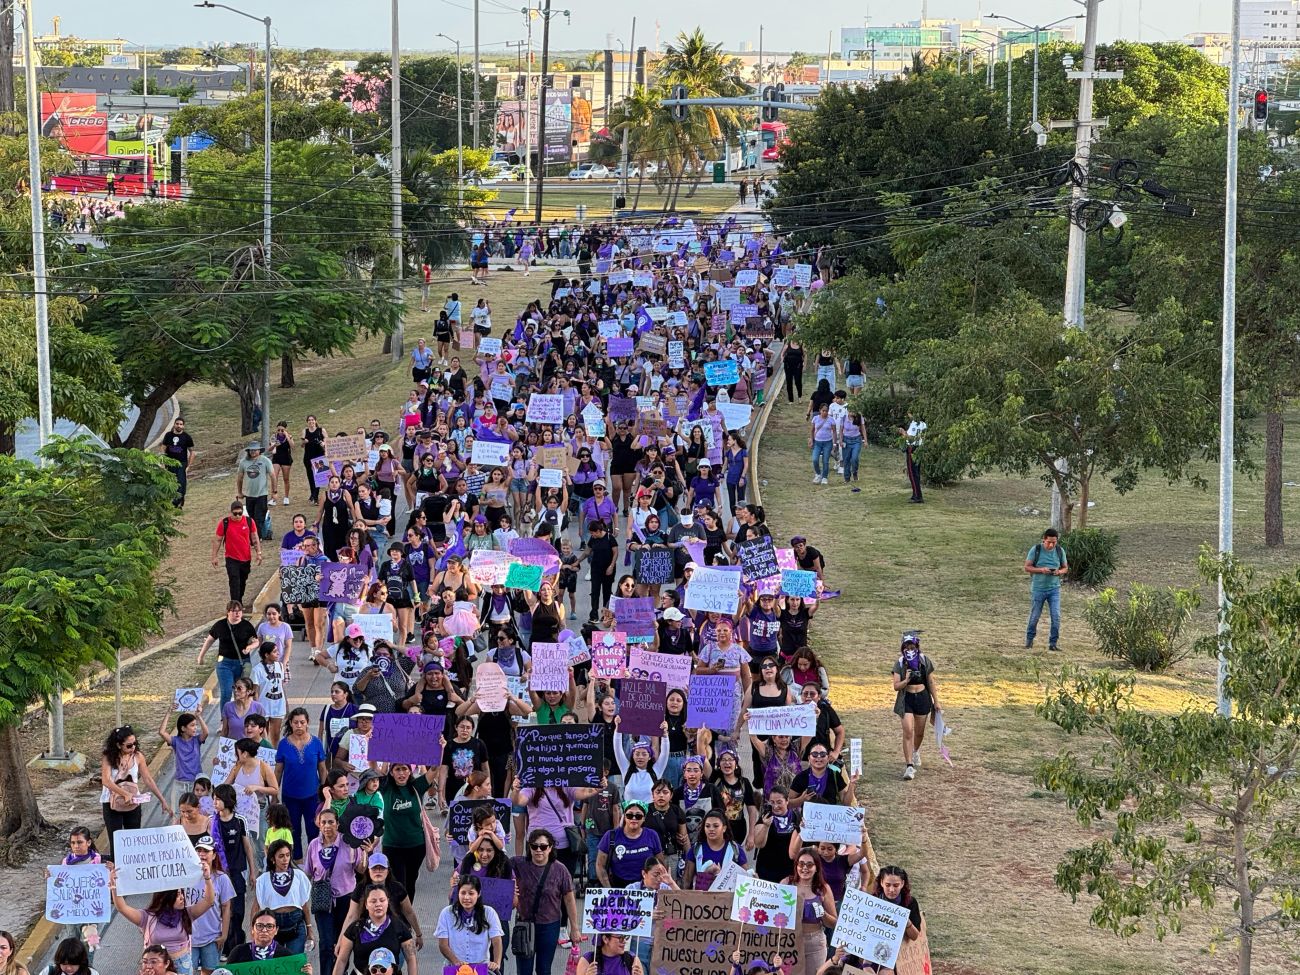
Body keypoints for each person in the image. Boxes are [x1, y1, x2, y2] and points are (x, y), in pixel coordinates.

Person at [109, 861, 215, 975]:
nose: (182, 898)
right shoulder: (147, 917)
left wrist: (207, 879)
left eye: (182, 893)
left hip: (182, 965)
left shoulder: (187, 913)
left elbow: (208, 901)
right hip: (155, 967)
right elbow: (122, 908)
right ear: (167, 898)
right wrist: (114, 887)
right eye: (178, 895)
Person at [510, 828, 583, 975]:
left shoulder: (560, 870)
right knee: (524, 971)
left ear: (550, 848)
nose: (538, 850)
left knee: (544, 969)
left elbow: (569, 900)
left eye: (543, 846)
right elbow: (495, 863)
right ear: (529, 847)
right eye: (534, 846)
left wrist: (574, 928)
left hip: (549, 926)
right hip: (524, 924)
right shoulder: (518, 864)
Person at [100, 725, 171, 856]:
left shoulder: (138, 756)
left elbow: (148, 779)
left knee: (133, 840)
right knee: (116, 841)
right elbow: (106, 780)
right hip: (111, 803)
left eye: (135, 744)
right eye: (129, 745)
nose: (133, 747)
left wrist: (162, 800)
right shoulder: (108, 757)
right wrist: (124, 793)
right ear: (118, 745)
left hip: (133, 803)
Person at [275, 707, 329, 858]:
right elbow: (278, 771)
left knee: (314, 830)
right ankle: (296, 861)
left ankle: (314, 860)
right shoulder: (283, 744)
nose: (299, 726)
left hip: (312, 796)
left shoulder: (316, 743)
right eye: (296, 722)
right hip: (290, 796)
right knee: (293, 831)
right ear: (290, 723)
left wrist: (325, 792)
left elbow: (323, 769)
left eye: (302, 722)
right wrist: (274, 792)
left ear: (307, 723)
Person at [334, 884, 418, 975]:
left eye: (382, 900)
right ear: (366, 904)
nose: (378, 904)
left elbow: (411, 959)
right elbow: (342, 960)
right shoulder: (355, 928)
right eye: (373, 901)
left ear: (387, 902)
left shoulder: (399, 927)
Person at [891, 633, 940, 781]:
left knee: (919, 733)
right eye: (906, 647)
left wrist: (936, 701)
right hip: (907, 700)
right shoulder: (899, 663)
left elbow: (930, 682)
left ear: (917, 647)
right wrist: (906, 680)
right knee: (908, 731)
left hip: (923, 698)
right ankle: (909, 766)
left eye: (912, 647)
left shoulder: (924, 661)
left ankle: (915, 751)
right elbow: (896, 686)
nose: (909, 649)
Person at [253, 840, 314, 955]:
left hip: (295, 924)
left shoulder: (299, 876)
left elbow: (304, 905)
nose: (285, 859)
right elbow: (256, 908)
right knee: (276, 966)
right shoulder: (263, 880)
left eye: (287, 855)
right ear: (273, 859)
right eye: (281, 856)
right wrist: (255, 932)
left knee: (294, 965)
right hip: (272, 926)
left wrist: (309, 929)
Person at [434, 876, 503, 972]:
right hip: (454, 967)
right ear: (458, 893)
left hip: (481, 968)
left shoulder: (489, 912)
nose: (466, 897)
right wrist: (457, 962)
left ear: (478, 894)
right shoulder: (446, 913)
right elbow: (443, 944)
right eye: (463, 893)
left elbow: (497, 941)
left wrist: (496, 963)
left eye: (471, 893)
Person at [784, 851, 837, 975]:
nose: (804, 868)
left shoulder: (823, 888)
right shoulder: (787, 883)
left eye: (809, 865)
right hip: (790, 941)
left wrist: (823, 914)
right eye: (801, 864)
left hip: (814, 943)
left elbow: (834, 923)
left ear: (816, 867)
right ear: (796, 866)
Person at [1025, 527, 1068, 652]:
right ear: (1044, 540)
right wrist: (1041, 570)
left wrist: (1059, 572)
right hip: (1038, 589)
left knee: (1056, 616)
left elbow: (1065, 568)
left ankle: (1053, 643)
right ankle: (1029, 640)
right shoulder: (1036, 550)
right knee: (1035, 616)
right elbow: (1027, 567)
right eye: (1049, 542)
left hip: (1054, 589)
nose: (1051, 545)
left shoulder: (1060, 551)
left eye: (1054, 542)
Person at [211, 500, 262, 604]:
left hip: (246, 558)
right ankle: (235, 604)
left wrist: (259, 553)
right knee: (234, 581)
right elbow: (217, 540)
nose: (238, 516)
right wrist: (214, 556)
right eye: (235, 513)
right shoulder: (225, 523)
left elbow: (254, 538)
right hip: (231, 558)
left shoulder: (249, 521)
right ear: (231, 512)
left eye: (240, 513)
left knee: (242, 581)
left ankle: (239, 600)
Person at [224, 909, 312, 968]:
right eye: (259, 926)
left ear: (276, 930)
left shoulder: (286, 956)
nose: (264, 930)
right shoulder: (238, 952)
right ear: (252, 929)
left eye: (269, 926)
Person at [236, 443, 274, 536]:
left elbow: (273, 476)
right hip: (249, 495)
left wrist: (274, 491)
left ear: (259, 450)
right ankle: (255, 535)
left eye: (255, 450)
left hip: (261, 494)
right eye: (251, 450)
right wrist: (240, 492)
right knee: (251, 517)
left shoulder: (265, 460)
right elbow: (240, 478)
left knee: (259, 517)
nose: (253, 452)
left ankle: (257, 538)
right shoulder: (243, 462)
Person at [162, 417, 195, 508]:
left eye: (181, 424)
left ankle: (177, 502)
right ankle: (173, 500)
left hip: (181, 463)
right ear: (174, 424)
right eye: (177, 424)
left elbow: (192, 452)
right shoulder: (168, 435)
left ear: (183, 426)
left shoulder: (187, 437)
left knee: (181, 482)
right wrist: (162, 462)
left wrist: (188, 466)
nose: (179, 426)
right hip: (169, 463)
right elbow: (163, 449)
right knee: (170, 482)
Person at [574, 932, 642, 975]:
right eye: (620, 937)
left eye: (625, 937)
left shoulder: (633, 960)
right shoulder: (588, 960)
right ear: (605, 939)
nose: (624, 941)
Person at [896, 412, 926, 503]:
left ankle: (918, 496)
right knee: (916, 472)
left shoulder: (914, 424)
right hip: (919, 448)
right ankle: (916, 493)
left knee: (912, 473)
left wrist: (903, 432)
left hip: (912, 448)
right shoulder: (923, 424)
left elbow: (910, 438)